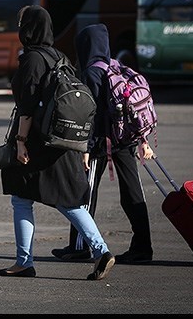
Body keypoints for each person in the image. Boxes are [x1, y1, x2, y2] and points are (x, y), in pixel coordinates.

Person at [0, 5, 115, 280]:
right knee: (68, 201)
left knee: (22, 198)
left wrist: (21, 141)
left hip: (38, 141)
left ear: (28, 28)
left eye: (21, 23)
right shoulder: (59, 56)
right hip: (65, 141)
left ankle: (24, 262)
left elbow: (26, 107)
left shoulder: (32, 60)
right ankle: (101, 251)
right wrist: (83, 147)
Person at [52, 23, 154, 264]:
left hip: (100, 144)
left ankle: (79, 247)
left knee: (84, 193)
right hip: (125, 139)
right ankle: (143, 246)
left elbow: (90, 115)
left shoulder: (91, 71)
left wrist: (84, 149)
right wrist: (143, 140)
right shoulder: (116, 67)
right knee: (133, 193)